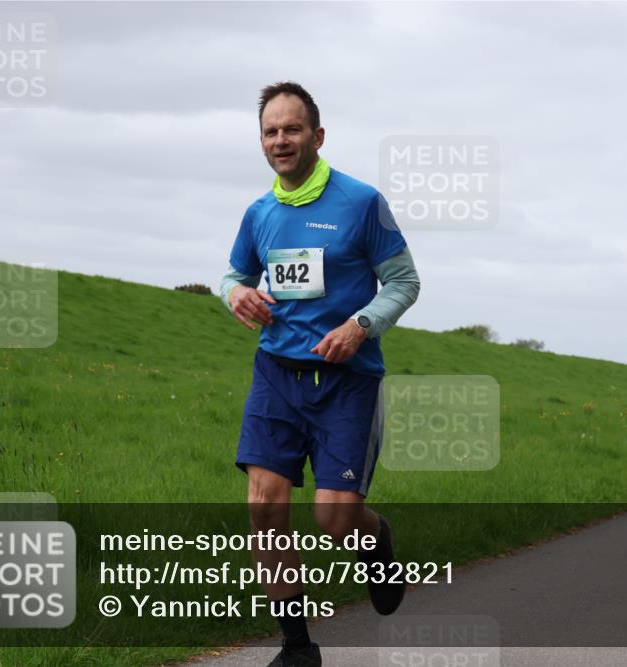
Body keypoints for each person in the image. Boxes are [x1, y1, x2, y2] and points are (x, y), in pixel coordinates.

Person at [221, 82, 420, 666]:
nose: (280, 140)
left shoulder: (361, 202)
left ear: (318, 136)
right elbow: (234, 273)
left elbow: (405, 282)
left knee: (335, 520)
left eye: (292, 129)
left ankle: (376, 540)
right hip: (276, 374)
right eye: (270, 131)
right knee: (264, 507)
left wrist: (360, 325)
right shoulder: (259, 212)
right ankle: (298, 647)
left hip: (346, 380)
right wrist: (235, 294)